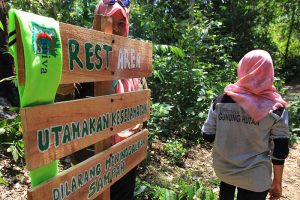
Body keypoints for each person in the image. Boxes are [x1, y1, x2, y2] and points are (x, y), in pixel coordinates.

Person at [201, 49, 289, 200]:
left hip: (224, 171)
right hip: (255, 177)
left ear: (242, 68)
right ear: (269, 72)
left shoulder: (220, 101)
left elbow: (208, 136)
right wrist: (277, 182)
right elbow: (280, 150)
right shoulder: (276, 108)